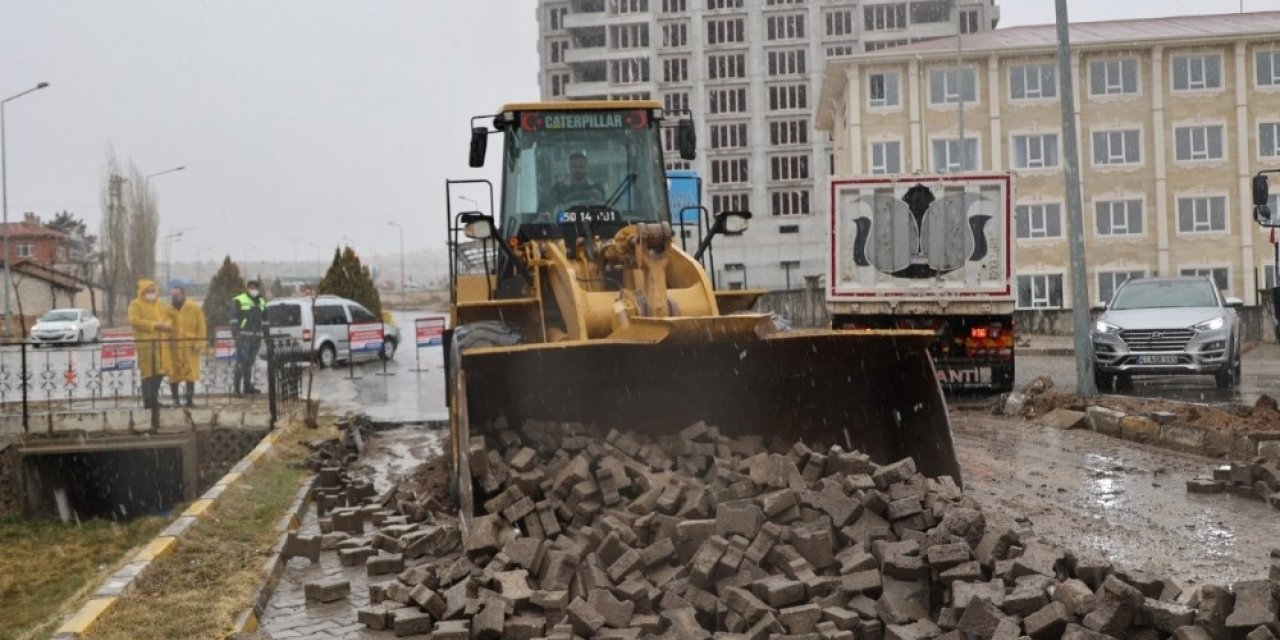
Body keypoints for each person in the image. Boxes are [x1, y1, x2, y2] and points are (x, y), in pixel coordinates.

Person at [128, 279, 171, 409]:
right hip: (145, 344)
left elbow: (167, 317)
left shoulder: (160, 304)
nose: (151, 293)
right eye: (148, 291)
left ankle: (154, 399)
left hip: (160, 343)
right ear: (142, 292)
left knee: (159, 372)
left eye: (153, 291)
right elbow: (134, 320)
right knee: (148, 373)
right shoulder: (136, 304)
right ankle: (148, 401)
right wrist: (153, 325)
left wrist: (167, 325)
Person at [166, 282, 206, 406]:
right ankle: (175, 400)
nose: (174, 298)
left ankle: (189, 399)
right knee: (173, 374)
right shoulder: (167, 310)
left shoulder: (194, 308)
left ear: (183, 294)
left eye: (176, 295)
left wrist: (200, 342)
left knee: (190, 374)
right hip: (173, 347)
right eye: (172, 296)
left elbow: (201, 328)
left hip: (190, 347)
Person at [230, 279, 266, 394]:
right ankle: (236, 389)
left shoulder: (261, 301)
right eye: (251, 287)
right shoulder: (239, 300)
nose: (253, 290)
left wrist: (267, 334)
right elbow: (233, 318)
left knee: (250, 362)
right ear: (247, 288)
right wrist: (236, 333)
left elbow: (266, 320)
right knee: (241, 362)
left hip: (256, 337)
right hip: (243, 337)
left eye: (255, 288)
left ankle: (247, 387)